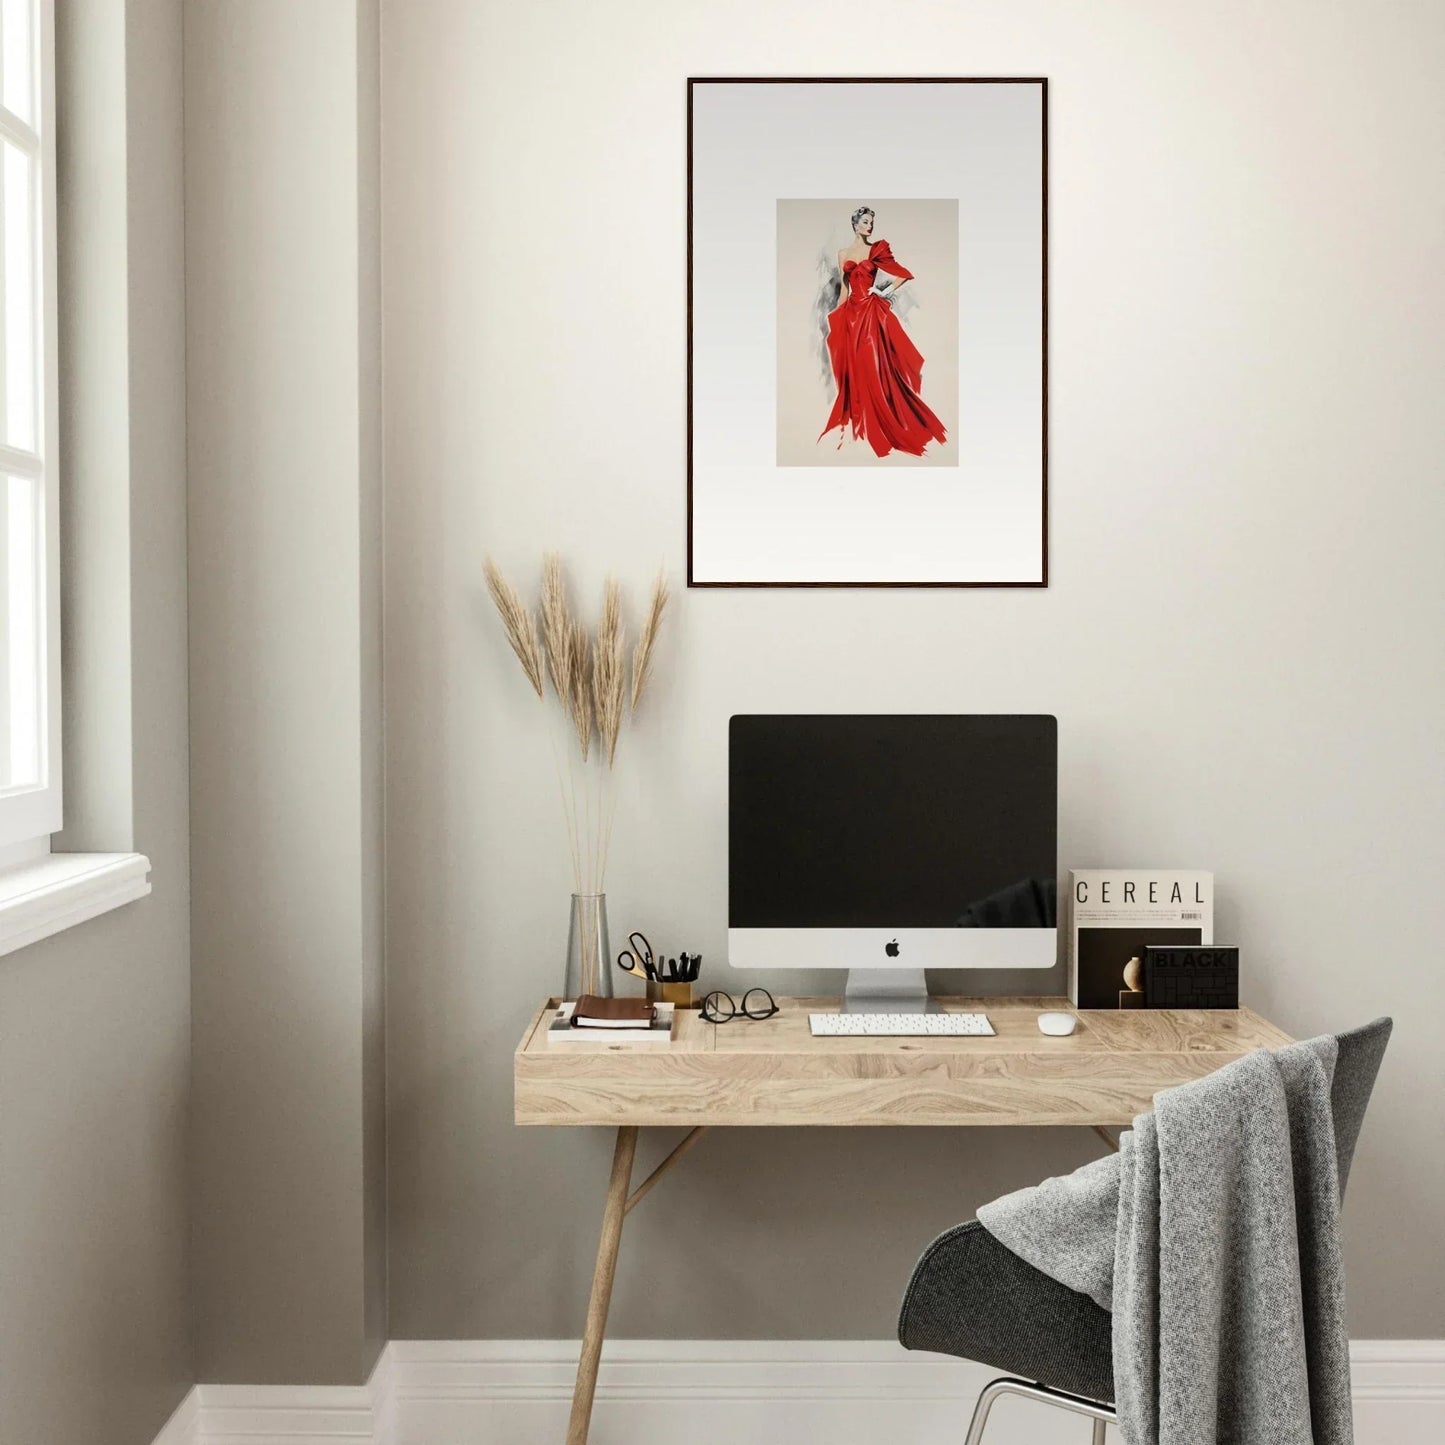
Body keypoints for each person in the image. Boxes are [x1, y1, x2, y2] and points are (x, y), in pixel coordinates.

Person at [818, 206, 948, 459]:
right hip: (850, 314)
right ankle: (860, 417)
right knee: (854, 365)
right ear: (855, 224)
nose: (870, 226)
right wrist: (835, 315)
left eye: (872, 223)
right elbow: (845, 289)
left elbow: (904, 275)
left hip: (869, 313)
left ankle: (884, 418)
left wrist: (883, 291)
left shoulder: (875, 250)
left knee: (873, 365)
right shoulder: (842, 253)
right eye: (866, 222)